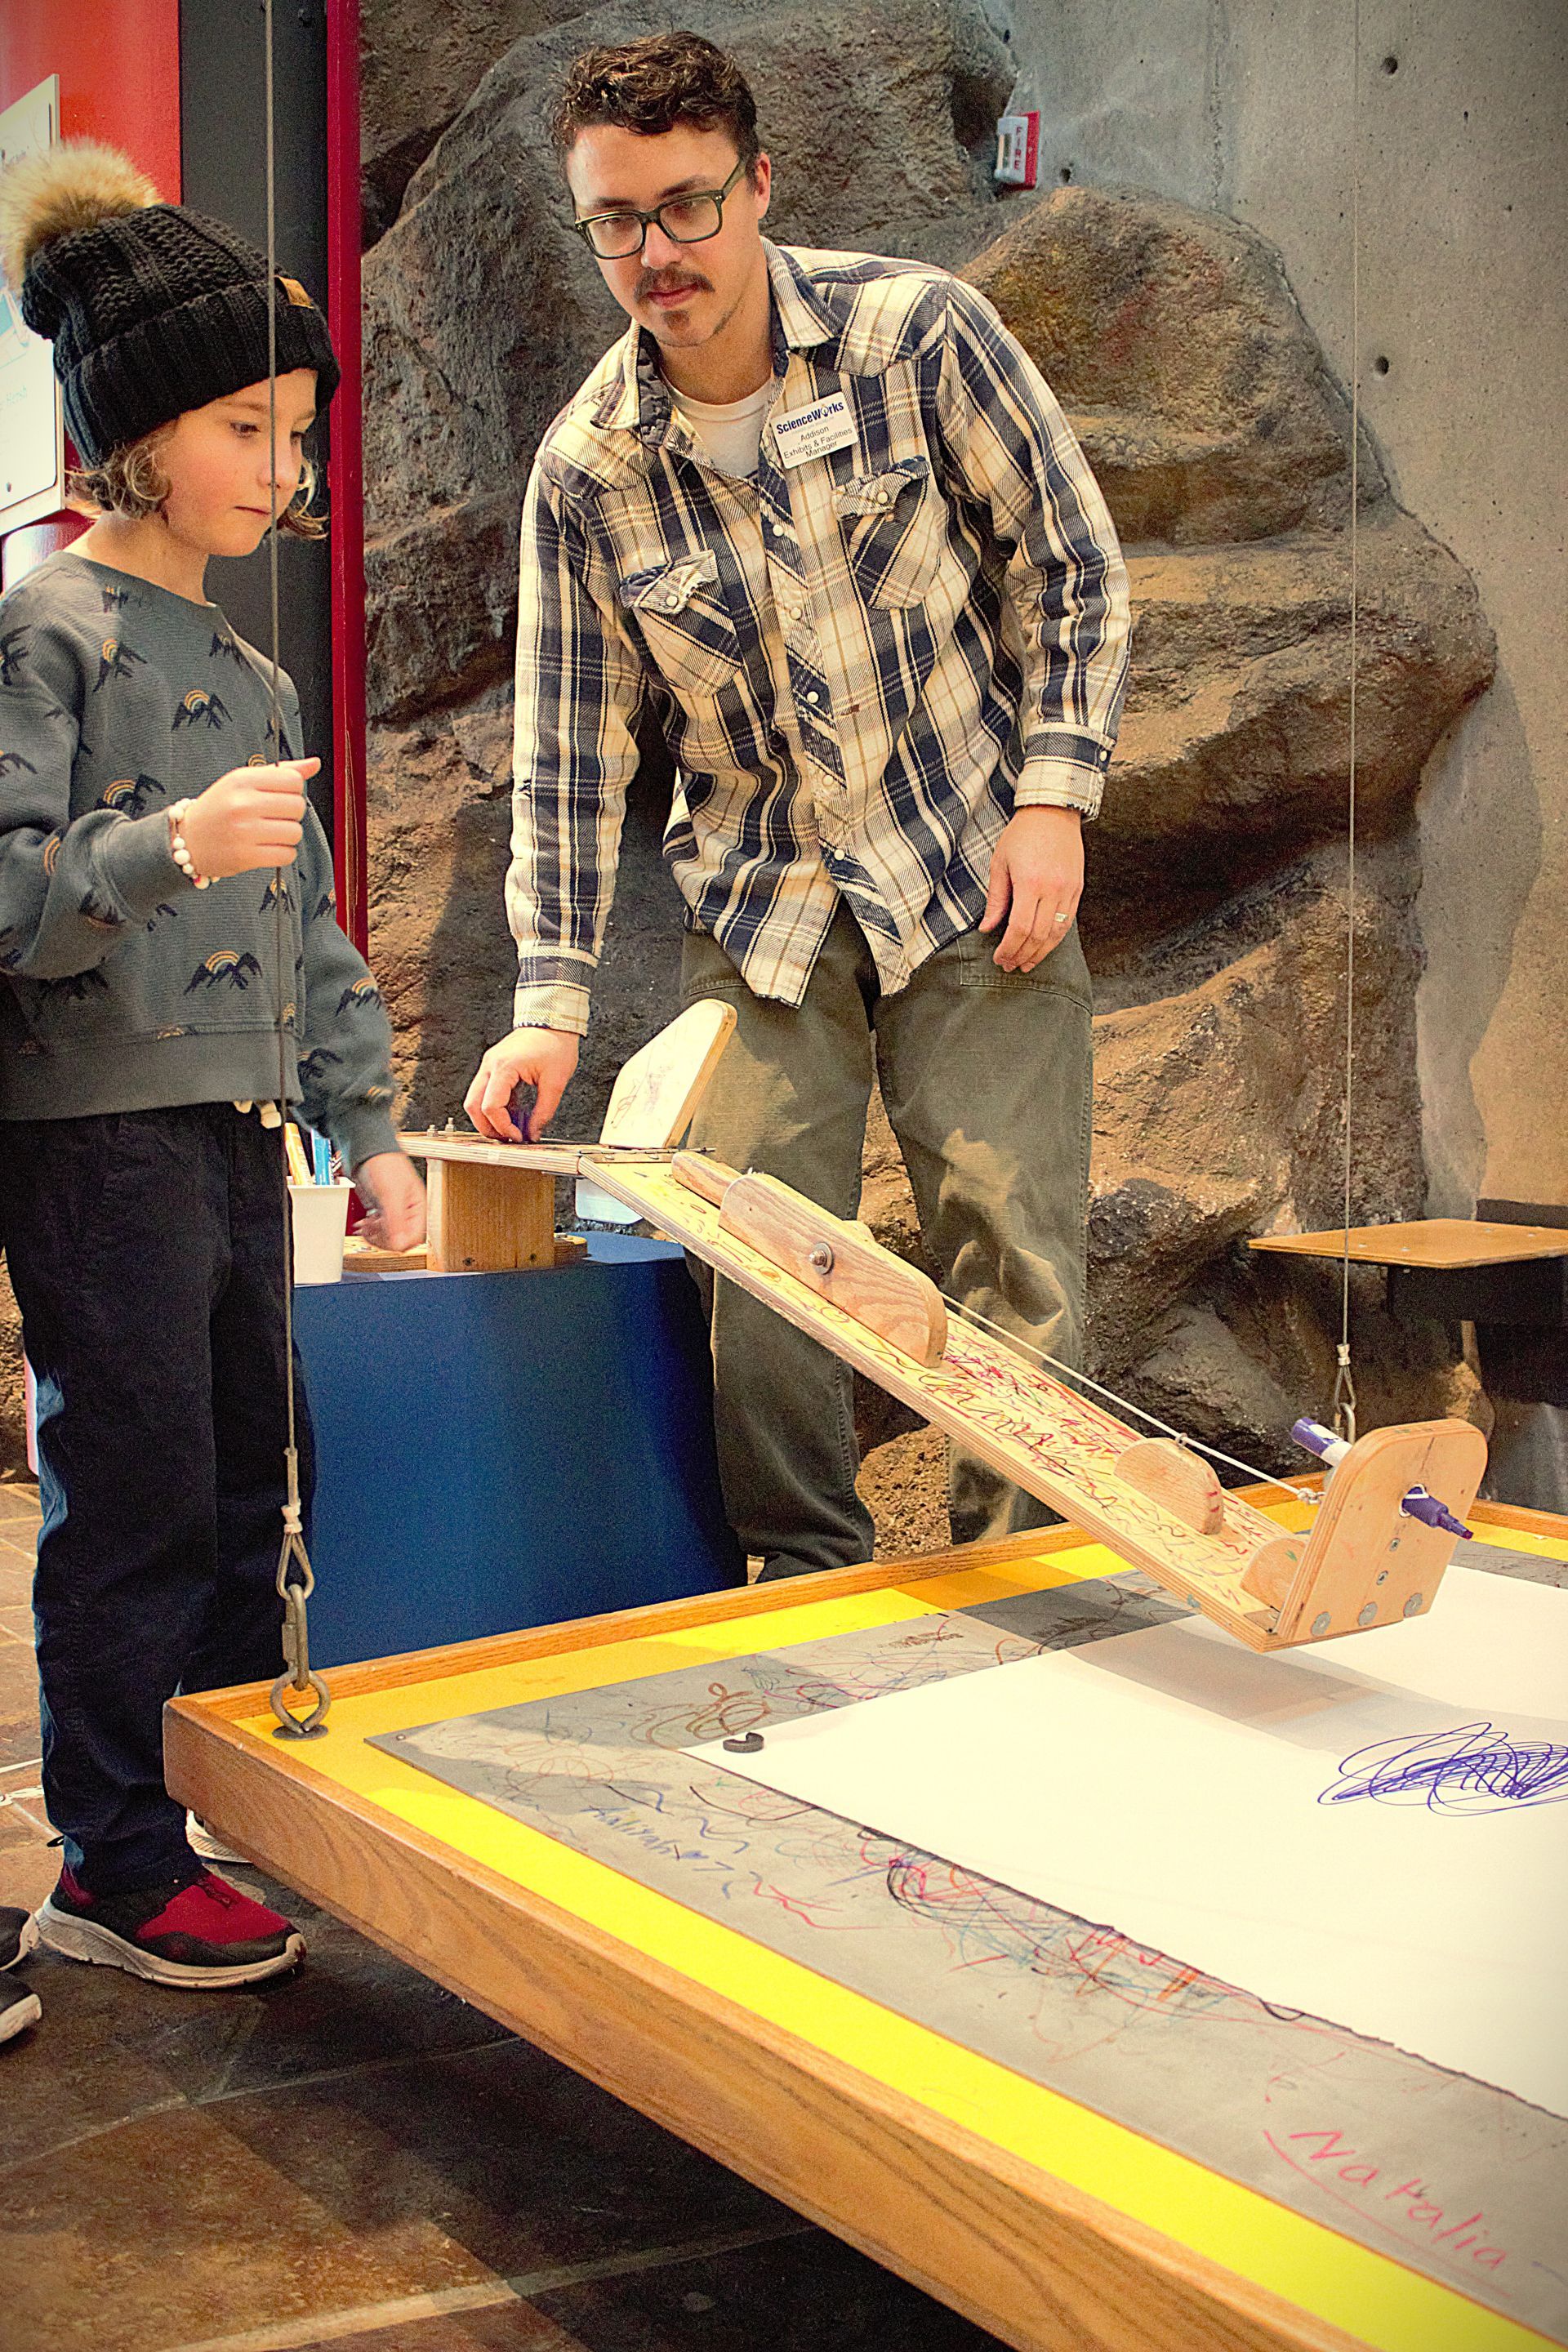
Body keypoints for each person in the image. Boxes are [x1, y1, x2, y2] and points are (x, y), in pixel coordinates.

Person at [466, 35, 1129, 1579]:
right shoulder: (586, 469)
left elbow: (1074, 563)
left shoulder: (921, 336)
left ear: (758, 184)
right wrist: (549, 1004)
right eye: (616, 220)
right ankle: (810, 1595)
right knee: (759, 1274)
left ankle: (1024, 1592)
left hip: (973, 866)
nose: (658, 254)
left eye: (689, 206)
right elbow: (570, 752)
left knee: (1013, 1262)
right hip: (764, 909)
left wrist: (1056, 799)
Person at [0, 142, 425, 1992]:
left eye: (296, 431)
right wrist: (167, 846)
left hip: (234, 1131)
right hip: (92, 1136)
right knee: (146, 1488)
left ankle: (217, 1812)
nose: (285, 466)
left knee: (264, 1473)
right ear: (142, 430)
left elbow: (316, 927)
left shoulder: (252, 673)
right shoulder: (44, 626)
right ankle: (107, 1858)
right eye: (251, 427)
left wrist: (371, 1125)